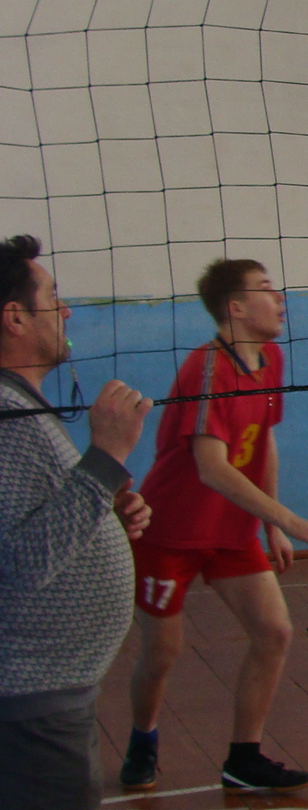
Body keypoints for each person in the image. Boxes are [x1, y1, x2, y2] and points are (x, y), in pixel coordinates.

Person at [121, 259, 308, 795]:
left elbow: (263, 440)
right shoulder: (207, 370)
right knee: (163, 653)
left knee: (275, 632)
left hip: (233, 528)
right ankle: (142, 739)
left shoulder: (270, 359)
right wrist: (290, 519)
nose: (279, 297)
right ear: (235, 307)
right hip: (170, 531)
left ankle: (244, 758)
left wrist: (270, 525)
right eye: (265, 289)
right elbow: (211, 468)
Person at [0, 235, 153, 810]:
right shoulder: (6, 415)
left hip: (47, 696)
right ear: (15, 317)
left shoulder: (20, 406)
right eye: (53, 297)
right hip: (29, 708)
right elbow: (20, 563)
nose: (66, 311)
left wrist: (104, 509)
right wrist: (107, 458)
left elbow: (31, 521)